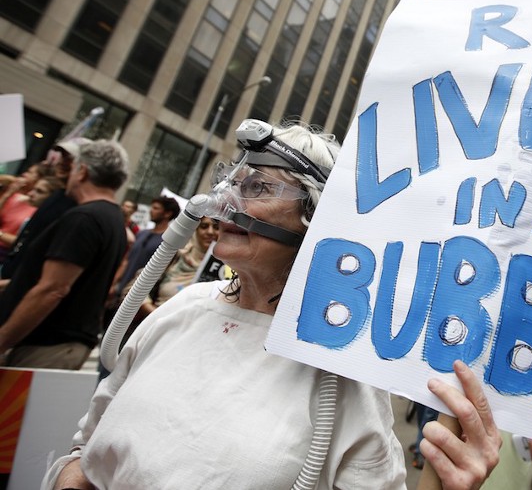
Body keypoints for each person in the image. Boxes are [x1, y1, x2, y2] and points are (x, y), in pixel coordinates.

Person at [45, 122, 502, 489]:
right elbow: (83, 452)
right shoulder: (183, 309)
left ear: (317, 218)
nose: (223, 200)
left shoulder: (339, 371)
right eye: (231, 181)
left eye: (259, 187)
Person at [0, 140, 128, 370]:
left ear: (82, 172)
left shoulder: (84, 218)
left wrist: (3, 339)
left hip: (47, 346)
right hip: (56, 343)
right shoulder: (111, 216)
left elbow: (53, 289)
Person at [0, 137, 91, 280]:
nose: (62, 162)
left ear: (83, 167)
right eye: (63, 156)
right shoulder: (57, 196)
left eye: (70, 159)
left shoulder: (77, 209)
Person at [109, 195, 180, 303]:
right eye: (152, 207)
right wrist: (114, 283)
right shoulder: (142, 233)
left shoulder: (168, 242)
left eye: (156, 208)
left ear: (167, 213)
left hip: (138, 298)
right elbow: (126, 261)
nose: (151, 211)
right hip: (120, 292)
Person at [0, 163, 47, 263]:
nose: (25, 174)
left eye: (30, 172)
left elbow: (20, 241)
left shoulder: (40, 210)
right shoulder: (15, 197)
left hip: (5, 255)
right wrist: (8, 194)